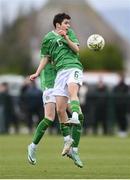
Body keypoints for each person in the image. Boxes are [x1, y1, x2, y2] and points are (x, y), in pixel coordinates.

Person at [28, 13, 84, 168]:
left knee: (74, 96)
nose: (69, 25)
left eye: (69, 23)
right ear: (58, 24)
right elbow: (45, 57)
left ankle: (75, 147)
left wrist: (66, 37)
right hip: (59, 74)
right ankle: (67, 143)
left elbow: (76, 50)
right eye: (66, 23)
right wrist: (37, 73)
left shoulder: (69, 33)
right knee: (59, 111)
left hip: (73, 67)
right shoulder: (47, 39)